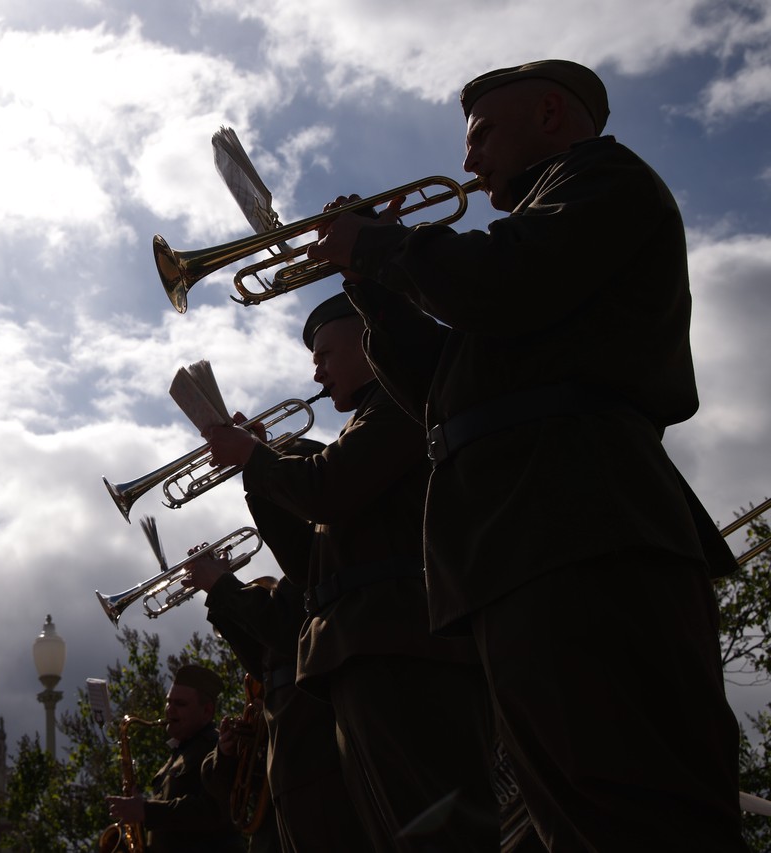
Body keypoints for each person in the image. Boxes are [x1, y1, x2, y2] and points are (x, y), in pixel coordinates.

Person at [307, 58, 749, 851]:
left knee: (638, 804)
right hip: (521, 541)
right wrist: (370, 281)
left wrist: (385, 246)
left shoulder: (603, 180)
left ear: (551, 115)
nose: (469, 161)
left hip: (582, 522)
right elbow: (438, 390)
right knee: (577, 817)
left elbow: (502, 280)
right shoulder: (530, 251)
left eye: (480, 135)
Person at [203, 293, 498, 852]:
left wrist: (257, 460)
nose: (315, 370)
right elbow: (309, 565)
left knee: (441, 830)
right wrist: (260, 470)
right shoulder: (357, 426)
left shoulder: (399, 403)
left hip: (404, 641)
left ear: (367, 344)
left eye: (325, 353)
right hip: (363, 646)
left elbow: (329, 490)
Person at [184, 491, 376, 853]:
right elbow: (265, 663)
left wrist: (223, 586)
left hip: (317, 763)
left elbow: (287, 633)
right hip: (291, 767)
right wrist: (221, 595)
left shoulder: (317, 565)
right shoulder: (307, 568)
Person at [105, 664, 245, 853]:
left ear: (207, 711)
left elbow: (211, 811)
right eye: (169, 702)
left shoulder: (215, 747)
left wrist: (146, 810)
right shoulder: (180, 752)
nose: (170, 710)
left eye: (180, 704)